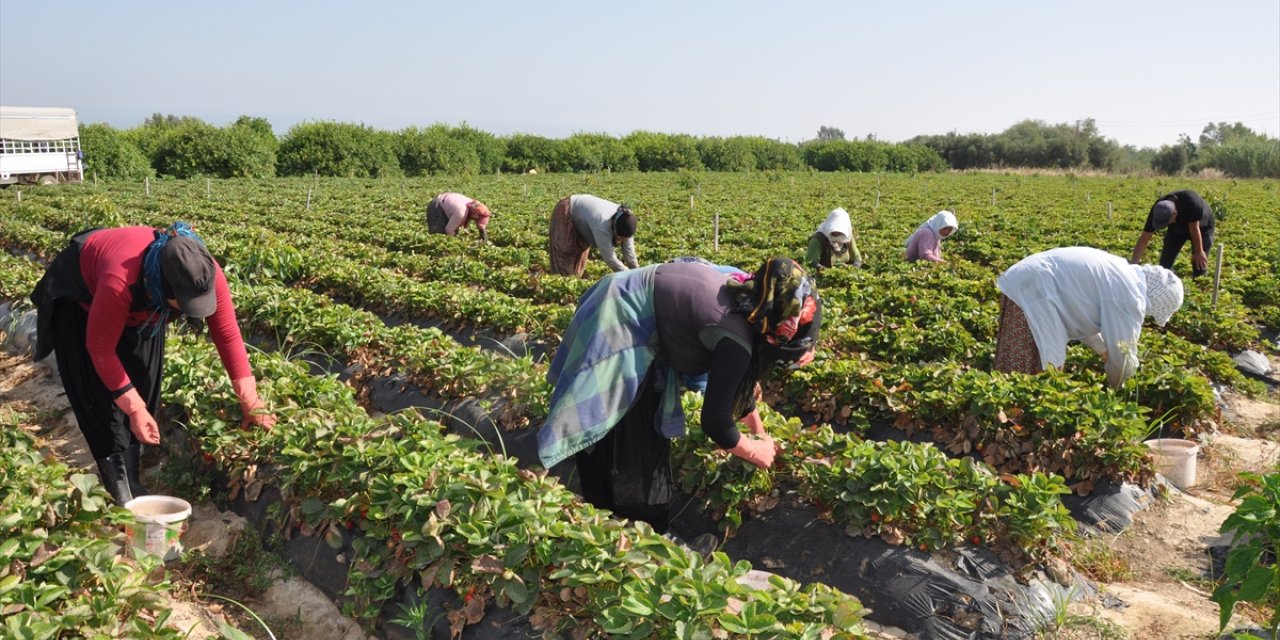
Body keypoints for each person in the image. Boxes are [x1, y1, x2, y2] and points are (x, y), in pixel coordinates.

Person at [537, 257, 821, 533]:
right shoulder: (735, 337)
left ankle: (607, 513)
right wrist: (753, 450)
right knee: (626, 430)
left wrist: (759, 433)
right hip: (621, 320)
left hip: (620, 296)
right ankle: (640, 531)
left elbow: (734, 389)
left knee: (630, 431)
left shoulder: (750, 296)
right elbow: (716, 422)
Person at [30, 222, 277, 505]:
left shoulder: (205, 272)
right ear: (162, 287)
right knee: (100, 400)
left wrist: (251, 401)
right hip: (82, 304)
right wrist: (133, 408)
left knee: (145, 383)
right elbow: (100, 349)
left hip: (140, 308)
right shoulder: (119, 280)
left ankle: (133, 480)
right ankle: (119, 492)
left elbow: (228, 335)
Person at [993, 247, 1184, 389]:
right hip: (1035, 290)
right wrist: (1118, 389)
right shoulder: (1129, 295)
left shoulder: (1123, 274)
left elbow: (1078, 311)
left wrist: (1102, 350)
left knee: (1034, 369)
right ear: (1157, 301)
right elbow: (1122, 356)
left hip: (1028, 281)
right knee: (1031, 372)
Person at [548, 194, 639, 276]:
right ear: (614, 228)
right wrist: (629, 276)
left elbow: (630, 254)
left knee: (580, 253)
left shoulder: (628, 222)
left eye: (624, 239)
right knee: (565, 251)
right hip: (567, 210)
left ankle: (574, 277)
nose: (621, 241)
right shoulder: (602, 224)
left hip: (584, 218)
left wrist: (638, 273)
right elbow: (610, 259)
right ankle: (561, 281)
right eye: (619, 237)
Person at [1130, 189, 1215, 276]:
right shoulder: (1158, 209)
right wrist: (1133, 265)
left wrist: (1199, 251)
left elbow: (1194, 227)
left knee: (1199, 264)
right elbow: (1144, 238)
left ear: (1174, 214)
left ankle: (1199, 278)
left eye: (1165, 223)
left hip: (1202, 228)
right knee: (1164, 266)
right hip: (1177, 230)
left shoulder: (1191, 202)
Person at [426, 192, 491, 242]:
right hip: (437, 205)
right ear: (475, 215)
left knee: (453, 231)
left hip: (449, 202)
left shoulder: (475, 205)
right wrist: (457, 241)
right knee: (439, 234)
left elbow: (481, 223)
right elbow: (449, 230)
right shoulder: (461, 212)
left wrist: (482, 233)